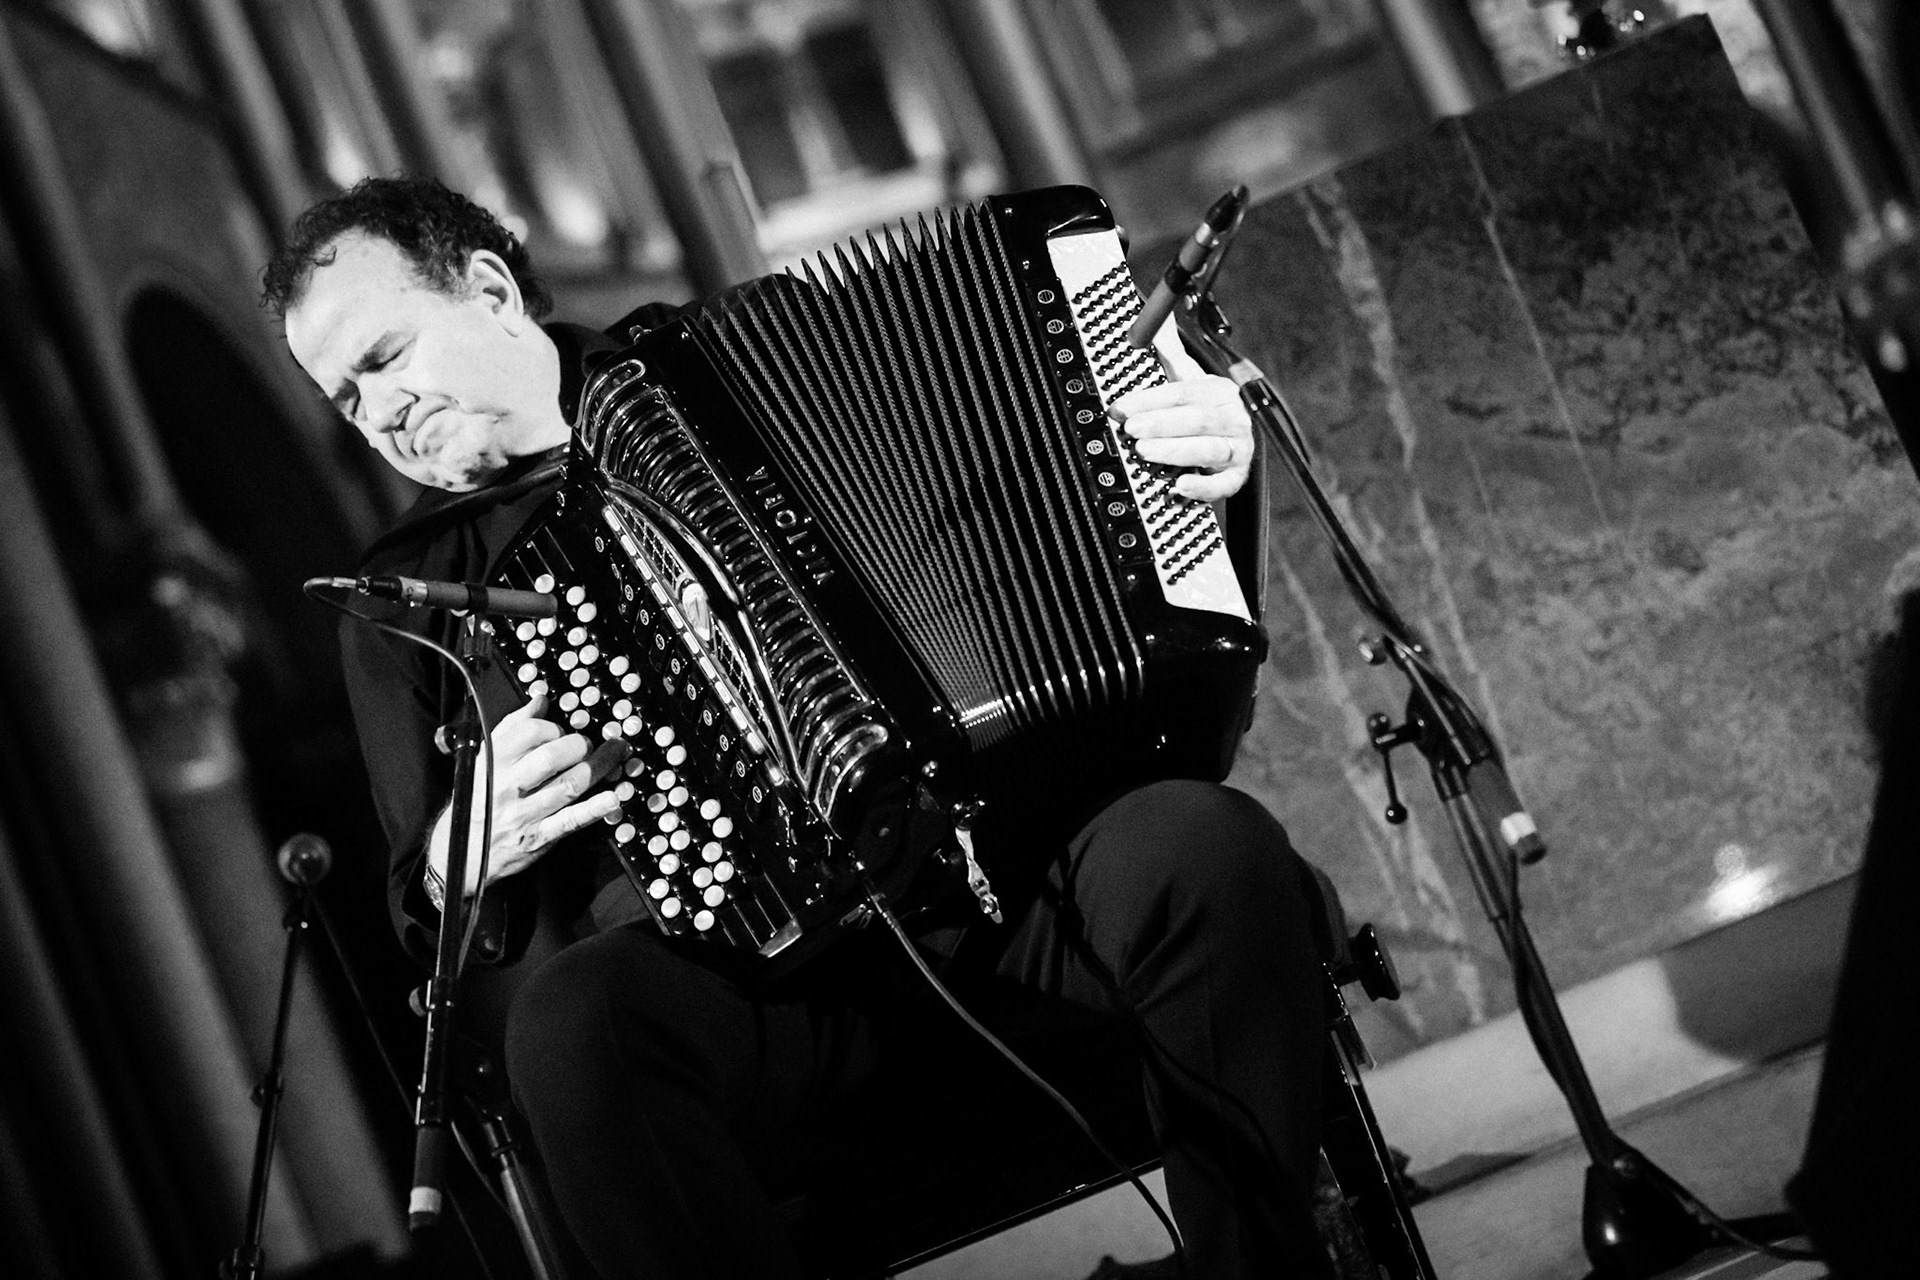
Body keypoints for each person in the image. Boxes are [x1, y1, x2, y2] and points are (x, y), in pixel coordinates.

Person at [265, 175, 1336, 1280]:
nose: (377, 409)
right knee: (574, 1025)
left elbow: (1071, 478)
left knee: (1203, 845)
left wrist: (1207, 453)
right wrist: (459, 853)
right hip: (754, 987)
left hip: (1003, 878)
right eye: (345, 397)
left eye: (386, 356)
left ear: (489, 291)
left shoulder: (734, 366)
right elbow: (417, 897)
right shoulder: (405, 597)